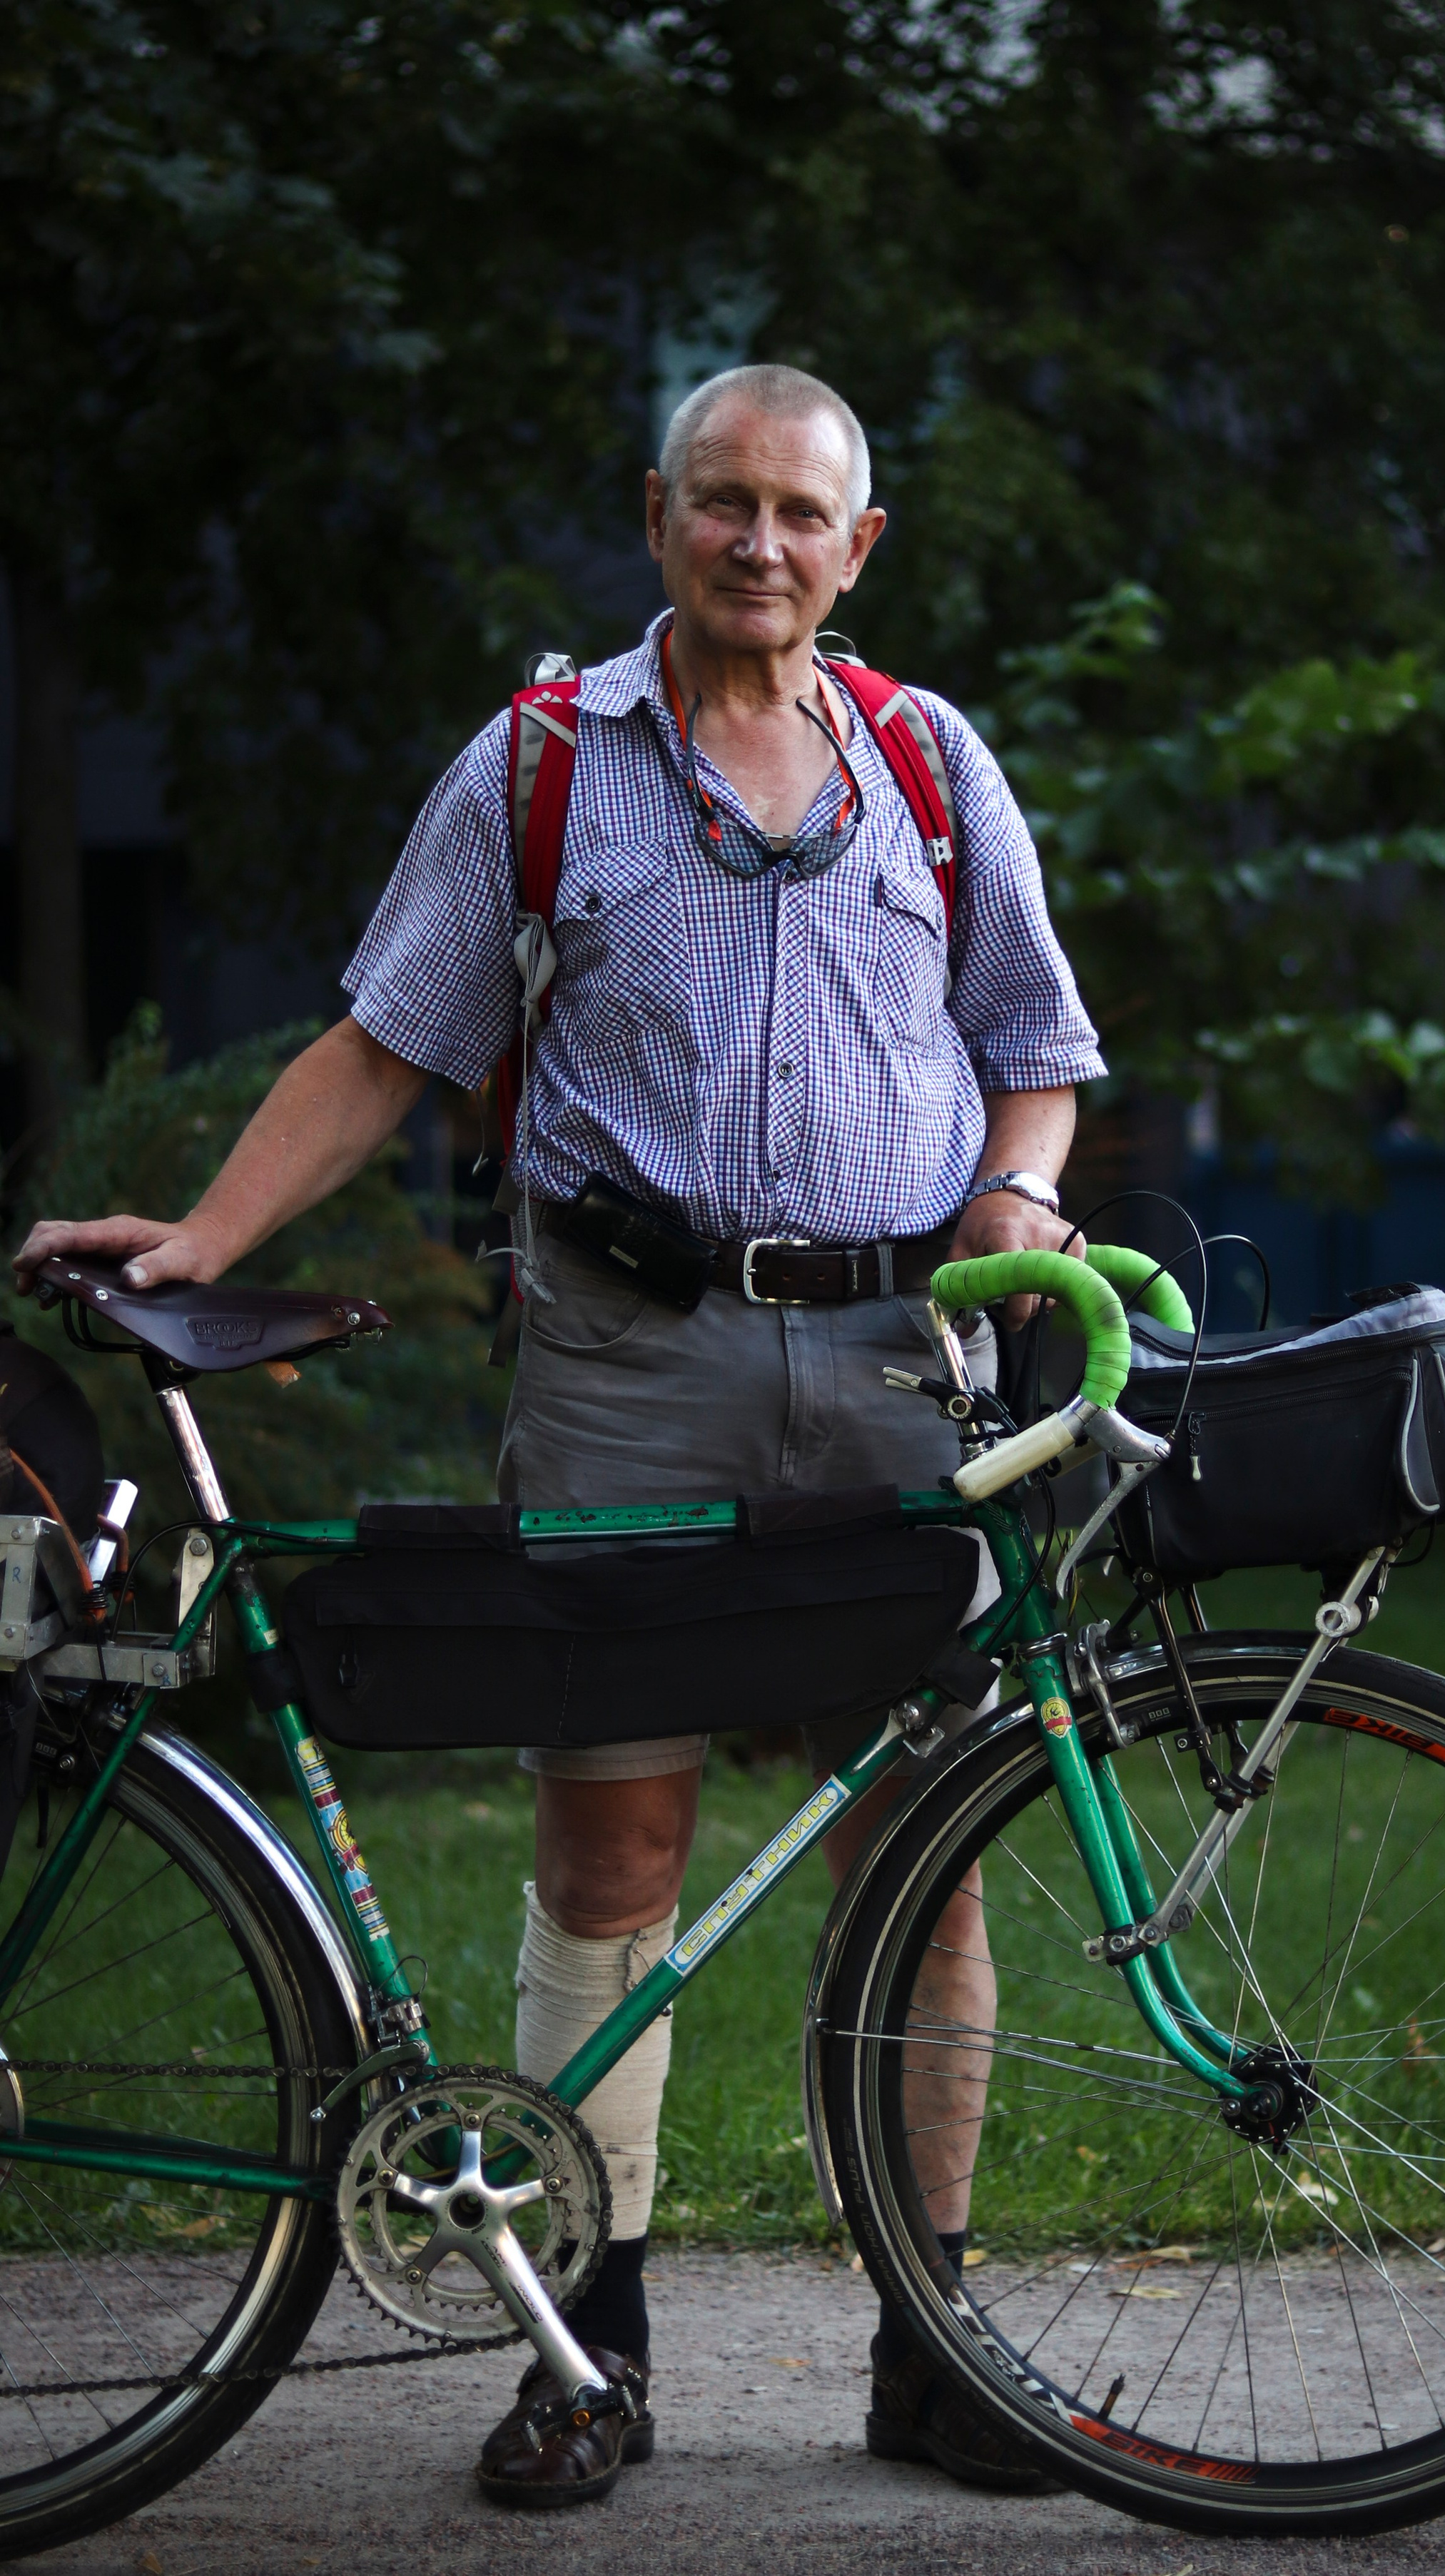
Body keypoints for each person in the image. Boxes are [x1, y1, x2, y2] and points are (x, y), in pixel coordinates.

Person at [12, 362, 1105, 2507]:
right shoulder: (537, 765)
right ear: (658, 517)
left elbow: (1036, 1048)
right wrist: (205, 1239)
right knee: (611, 1861)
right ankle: (577, 2356)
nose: (761, 543)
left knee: (926, 1867)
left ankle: (934, 2341)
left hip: (901, 1360)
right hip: (627, 1361)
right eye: (725, 504)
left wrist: (1026, 1192)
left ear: (856, 546)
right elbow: (384, 1043)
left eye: (803, 513)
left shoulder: (929, 763)